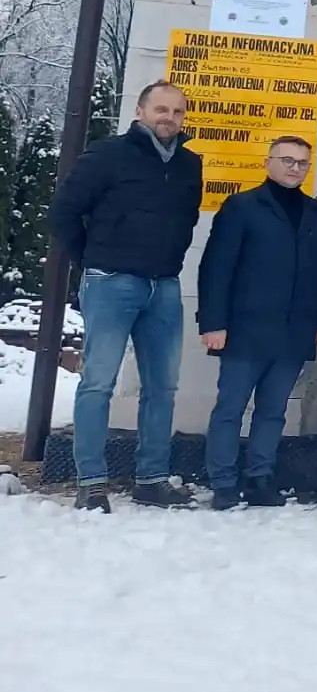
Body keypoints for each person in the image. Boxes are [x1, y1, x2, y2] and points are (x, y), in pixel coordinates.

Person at [48, 80, 205, 511]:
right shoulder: (107, 155)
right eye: (161, 109)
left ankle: (151, 480)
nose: (169, 118)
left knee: (162, 387)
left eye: (177, 111)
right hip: (111, 282)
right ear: (140, 111)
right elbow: (63, 213)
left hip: (164, 286)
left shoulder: (190, 164)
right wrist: (93, 260)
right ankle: (91, 483)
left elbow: (187, 220)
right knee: (98, 383)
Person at [195, 135, 317, 509]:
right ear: (268, 163)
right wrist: (212, 322)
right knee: (230, 409)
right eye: (287, 160)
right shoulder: (242, 207)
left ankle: (259, 479)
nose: (295, 168)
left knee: (273, 411)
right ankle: (224, 482)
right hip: (245, 330)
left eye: (302, 163)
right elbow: (216, 267)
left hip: (295, 331)